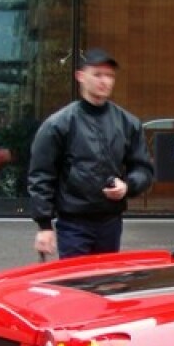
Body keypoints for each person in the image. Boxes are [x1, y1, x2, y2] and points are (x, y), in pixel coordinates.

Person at [28, 48, 154, 259]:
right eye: (97, 74)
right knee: (76, 286)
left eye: (110, 76)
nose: (104, 81)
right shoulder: (59, 124)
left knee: (107, 285)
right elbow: (41, 176)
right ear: (80, 76)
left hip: (110, 223)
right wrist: (44, 226)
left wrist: (128, 186)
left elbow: (143, 169)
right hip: (73, 224)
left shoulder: (127, 123)